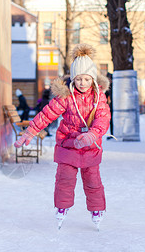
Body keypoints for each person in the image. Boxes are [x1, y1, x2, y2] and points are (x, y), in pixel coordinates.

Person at [14, 44, 111, 230]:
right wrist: (30, 131)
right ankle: (61, 208)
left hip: (90, 147)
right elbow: (47, 114)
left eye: (86, 79)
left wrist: (92, 134)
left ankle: (97, 209)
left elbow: (103, 118)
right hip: (68, 145)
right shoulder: (66, 97)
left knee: (93, 181)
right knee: (64, 179)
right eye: (79, 79)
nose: (82, 83)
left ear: (92, 79)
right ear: (73, 79)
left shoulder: (98, 98)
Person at [105, 72, 113, 139]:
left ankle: (113, 133)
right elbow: (106, 96)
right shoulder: (109, 86)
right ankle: (112, 133)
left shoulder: (113, 86)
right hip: (111, 105)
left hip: (114, 105)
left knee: (113, 120)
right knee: (111, 120)